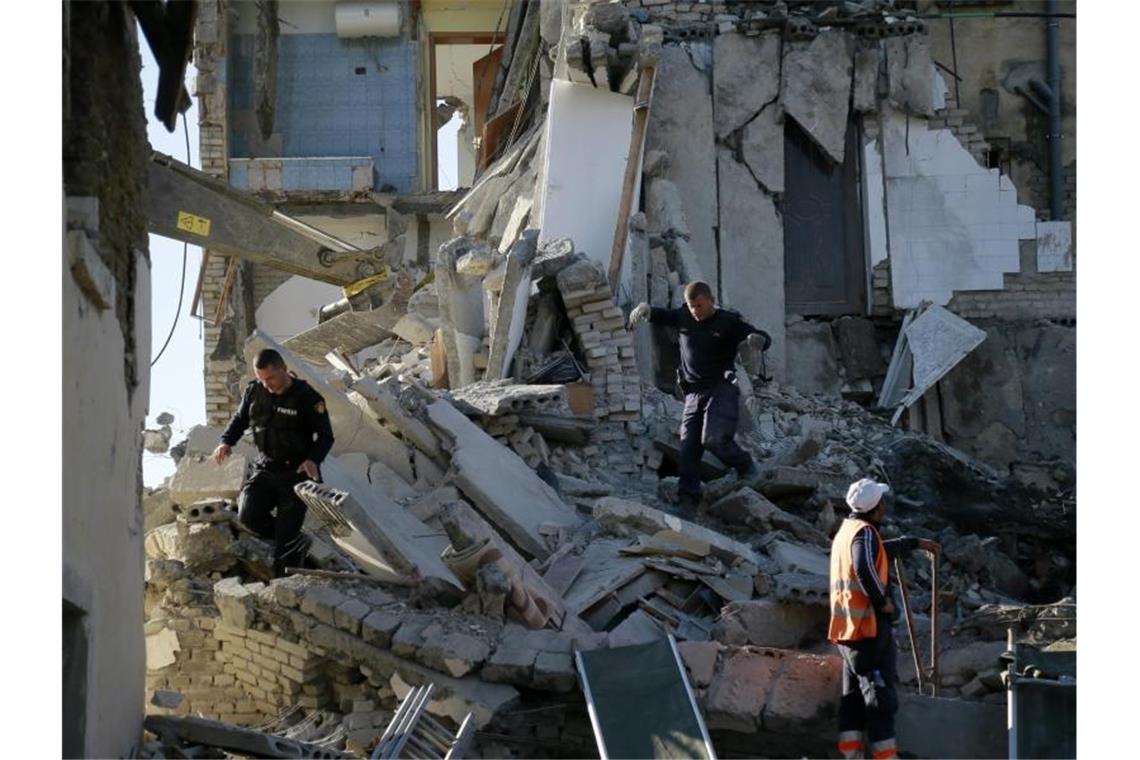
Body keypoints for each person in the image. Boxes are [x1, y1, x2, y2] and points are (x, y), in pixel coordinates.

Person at [630, 281, 770, 511]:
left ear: (711, 301)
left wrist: (759, 340)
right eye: (691, 306)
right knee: (688, 447)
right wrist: (647, 310)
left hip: (721, 388)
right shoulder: (685, 315)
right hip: (693, 393)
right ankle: (687, 500)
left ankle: (745, 465)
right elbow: (665, 316)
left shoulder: (728, 321)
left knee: (713, 438)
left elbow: (757, 335)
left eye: (699, 305)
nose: (695, 311)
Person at [829, 478, 940, 760]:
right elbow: (865, 565)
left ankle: (850, 755)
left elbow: (875, 551)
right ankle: (886, 757)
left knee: (852, 699)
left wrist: (912, 543)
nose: (885, 507)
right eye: (882, 503)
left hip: (848, 630)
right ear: (876, 508)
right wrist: (883, 602)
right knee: (880, 700)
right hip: (868, 628)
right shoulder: (864, 534)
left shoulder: (848, 530)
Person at [213, 348, 334, 577]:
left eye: (271, 378)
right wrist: (226, 442)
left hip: (297, 474)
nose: (267, 385)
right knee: (247, 515)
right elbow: (240, 420)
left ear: (284, 369)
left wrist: (313, 460)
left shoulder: (308, 397)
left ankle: (283, 587)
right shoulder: (254, 392)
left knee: (284, 548)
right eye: (262, 379)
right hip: (265, 468)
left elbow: (326, 436)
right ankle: (294, 540)